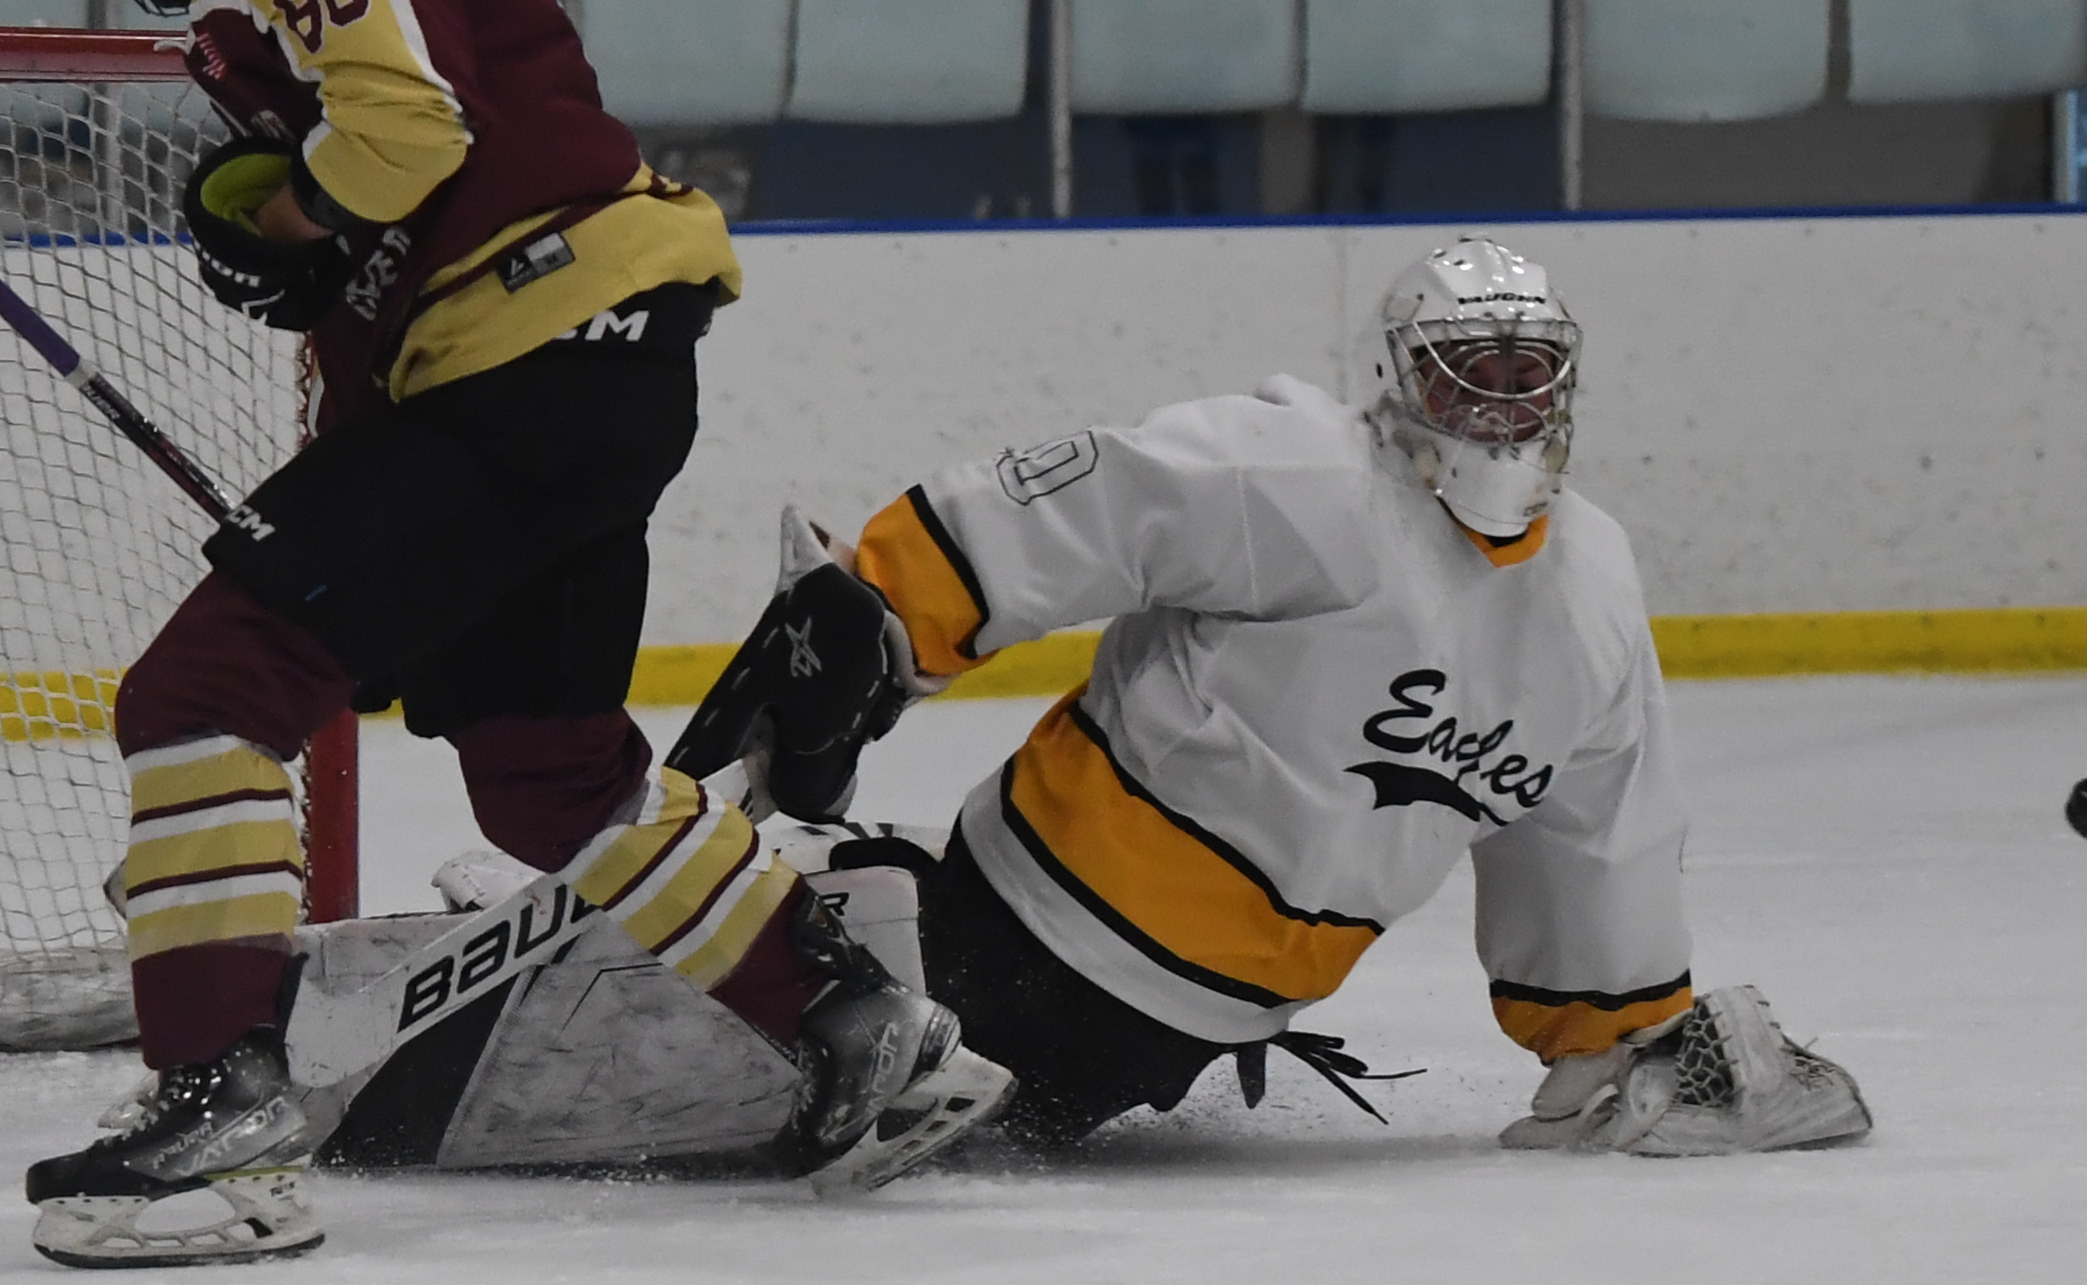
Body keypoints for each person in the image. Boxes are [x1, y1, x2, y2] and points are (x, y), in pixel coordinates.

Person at [27, 0, 1007, 1268]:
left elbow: (407, 132)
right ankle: (851, 1022)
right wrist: (339, 389)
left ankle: (221, 1113)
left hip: (535, 359)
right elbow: (423, 198)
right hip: (583, 370)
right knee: (548, 774)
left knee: (202, 694)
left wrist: (293, 217)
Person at [676, 237, 1873, 1155]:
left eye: (1528, 376)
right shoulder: (1316, 477)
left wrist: (1612, 1034)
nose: (1502, 405)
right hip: (1047, 945)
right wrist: (882, 613)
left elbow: (1595, 838)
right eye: (1469, 375)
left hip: (1127, 1006)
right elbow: (1101, 508)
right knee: (874, 1009)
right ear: (1403, 380)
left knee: (725, 998)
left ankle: (713, 982)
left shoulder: (1590, 594)